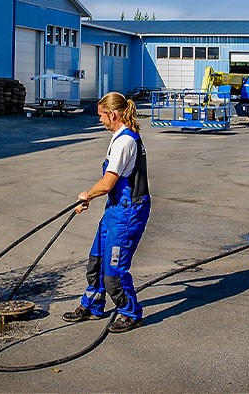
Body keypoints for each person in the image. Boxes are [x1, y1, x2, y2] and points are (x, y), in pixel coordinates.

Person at [62, 92, 151, 333]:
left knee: (114, 269)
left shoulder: (125, 142)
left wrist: (86, 196)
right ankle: (93, 305)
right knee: (97, 260)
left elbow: (107, 183)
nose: (100, 119)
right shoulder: (118, 137)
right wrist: (90, 197)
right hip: (115, 209)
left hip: (129, 212)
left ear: (112, 114)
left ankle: (130, 312)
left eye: (101, 115)